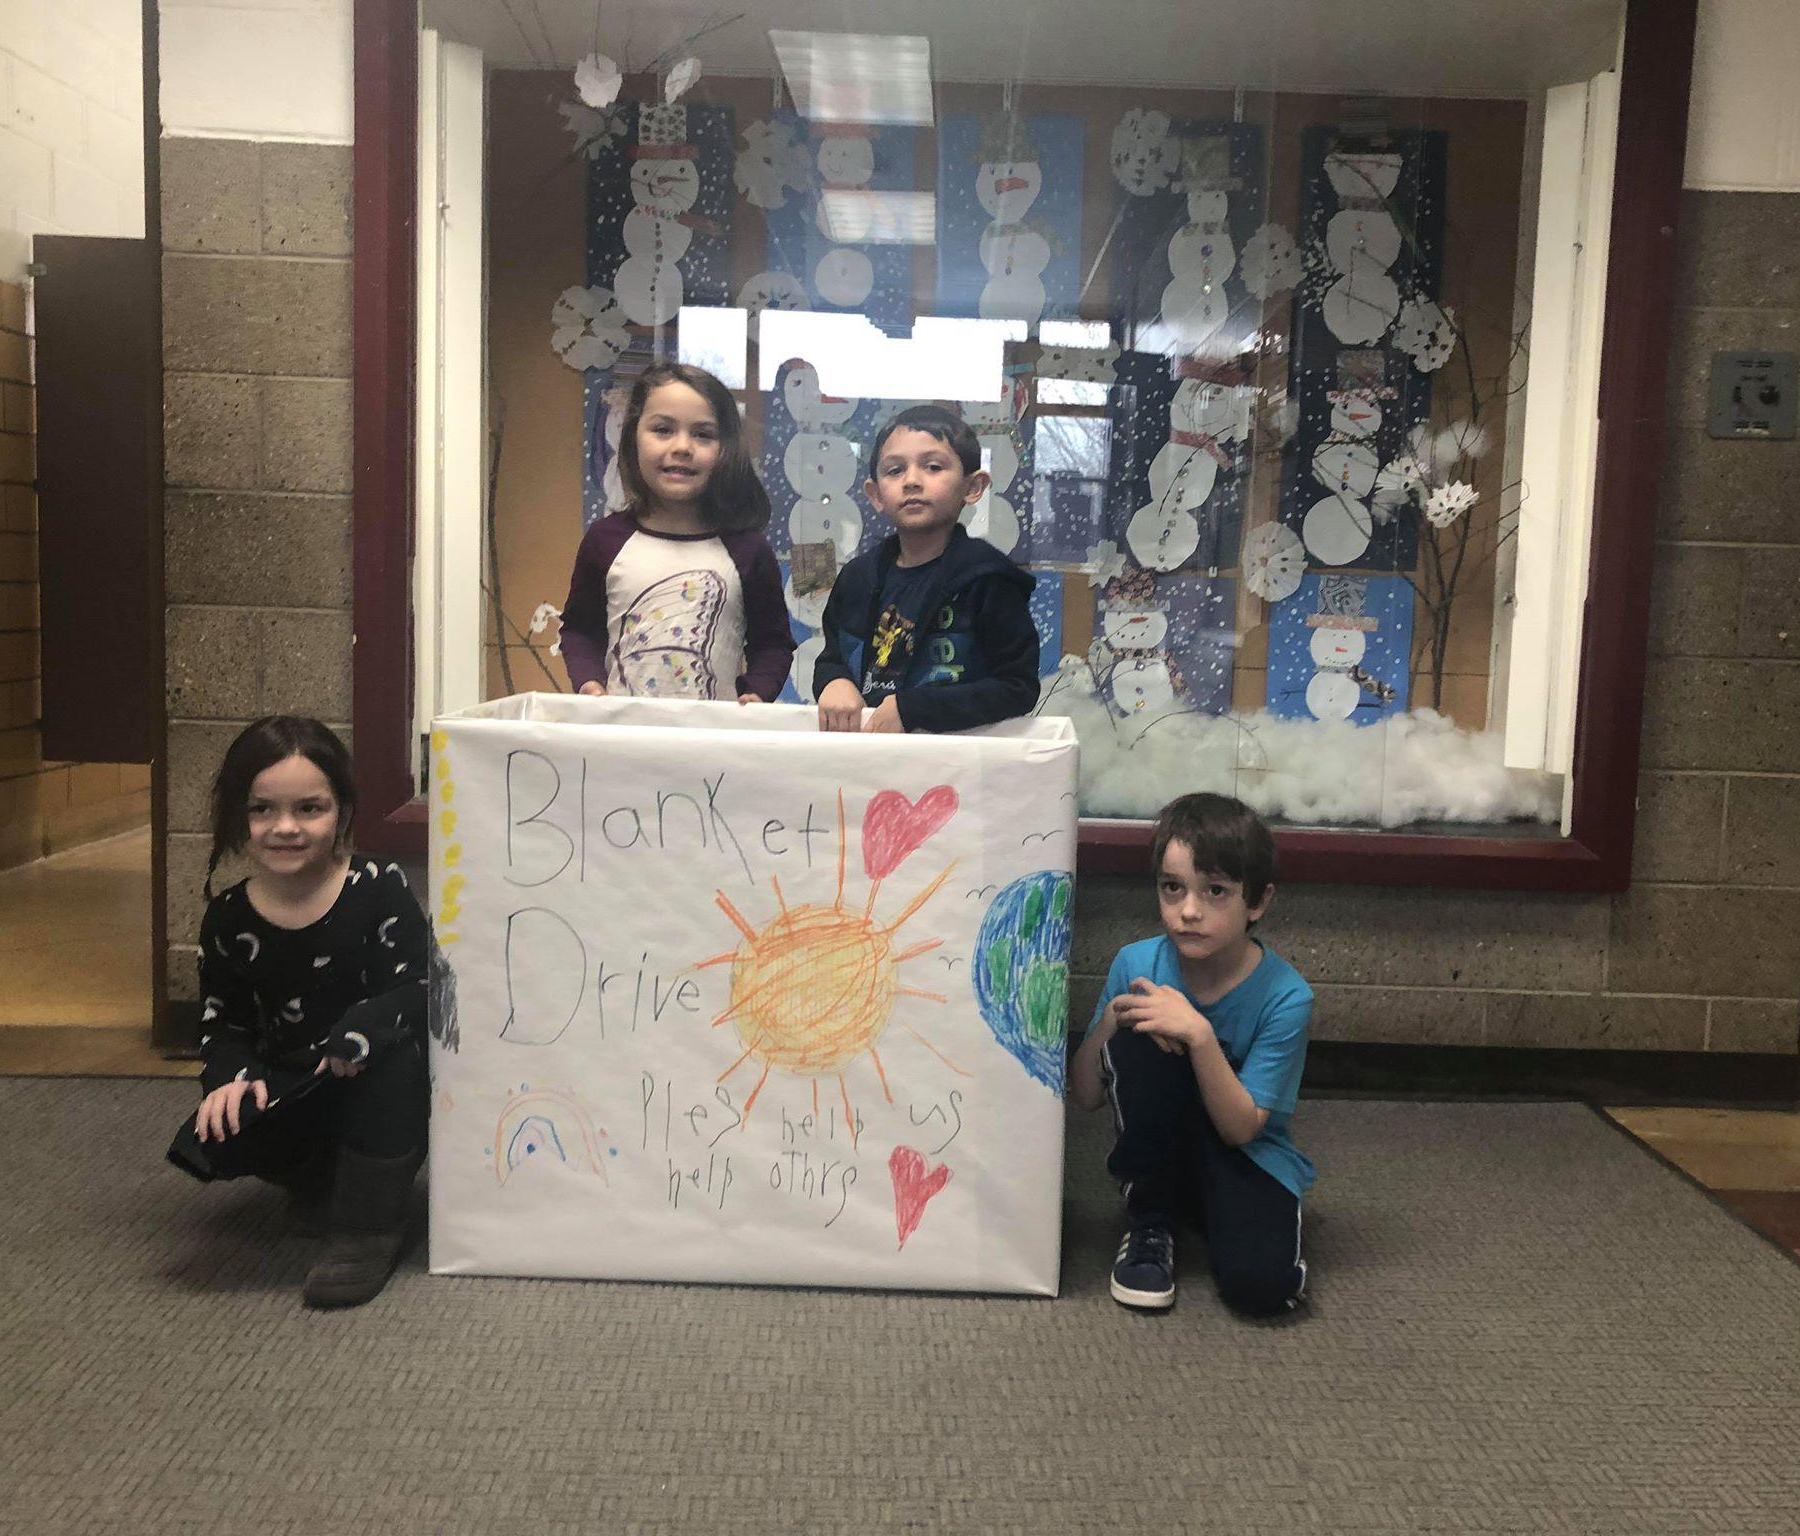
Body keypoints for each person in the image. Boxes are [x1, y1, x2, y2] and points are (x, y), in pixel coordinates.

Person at [172, 716, 430, 1310]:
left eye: (309, 808)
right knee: (217, 1128)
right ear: (238, 815)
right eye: (263, 809)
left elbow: (420, 985)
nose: (285, 827)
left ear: (340, 810)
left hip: (378, 1078)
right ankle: (319, 1179)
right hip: (298, 1078)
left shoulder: (377, 886)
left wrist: (366, 1026)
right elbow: (222, 1022)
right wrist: (230, 1079)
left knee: (392, 1065)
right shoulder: (229, 919)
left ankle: (367, 1229)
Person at [1067, 792, 1314, 1316]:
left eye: (1216, 891)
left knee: (1262, 1289)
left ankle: (1209, 1207)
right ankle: (1151, 1218)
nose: (1189, 911)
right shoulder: (1137, 962)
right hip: (1165, 1147)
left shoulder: (1287, 996)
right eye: (1171, 887)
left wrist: (1199, 1036)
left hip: (1247, 1154)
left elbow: (1242, 1129)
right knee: (1140, 1026)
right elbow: (1085, 1095)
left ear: (1258, 902)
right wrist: (1115, 1018)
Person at [559, 361, 794, 701]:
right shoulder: (604, 540)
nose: (682, 446)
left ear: (724, 449)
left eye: (702, 434)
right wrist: (589, 682)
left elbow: (772, 642)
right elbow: (580, 630)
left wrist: (757, 692)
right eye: (663, 430)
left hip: (714, 743)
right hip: (620, 739)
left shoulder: (748, 550)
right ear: (633, 438)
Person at [812, 403, 1040, 734]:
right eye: (894, 471)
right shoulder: (857, 578)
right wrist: (833, 680)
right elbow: (832, 656)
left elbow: (1017, 687)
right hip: (866, 754)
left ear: (973, 487)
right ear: (876, 495)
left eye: (933, 467)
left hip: (956, 761)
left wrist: (915, 709)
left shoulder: (988, 580)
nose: (912, 481)